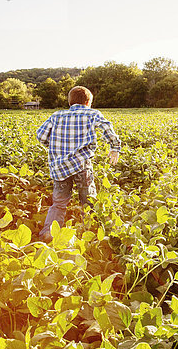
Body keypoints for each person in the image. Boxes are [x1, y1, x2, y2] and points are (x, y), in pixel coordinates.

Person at [36, 86, 121, 241]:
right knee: (88, 201)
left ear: (70, 102)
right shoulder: (92, 113)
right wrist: (115, 147)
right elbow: (106, 127)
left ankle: (49, 233)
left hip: (59, 167)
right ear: (88, 102)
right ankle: (89, 234)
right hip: (82, 164)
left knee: (59, 203)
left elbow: (41, 136)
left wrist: (56, 146)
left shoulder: (56, 116)